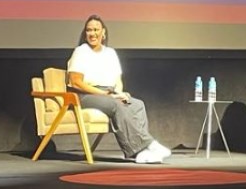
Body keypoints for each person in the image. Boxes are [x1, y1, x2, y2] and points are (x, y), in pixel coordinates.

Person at [66, 15, 171, 163]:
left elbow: (117, 80)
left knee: (137, 104)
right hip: (84, 95)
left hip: (107, 92)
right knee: (116, 104)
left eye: (96, 29)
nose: (92, 33)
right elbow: (76, 82)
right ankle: (146, 146)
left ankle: (141, 153)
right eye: (89, 30)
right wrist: (106, 95)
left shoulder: (110, 53)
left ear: (103, 32)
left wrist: (119, 93)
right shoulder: (81, 51)